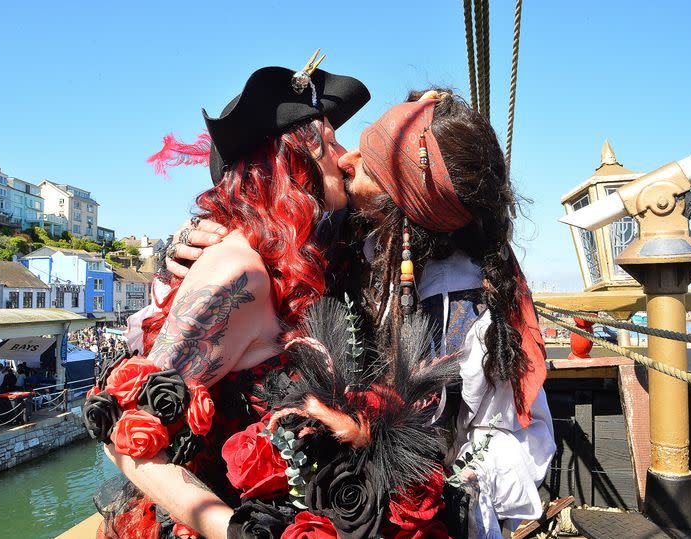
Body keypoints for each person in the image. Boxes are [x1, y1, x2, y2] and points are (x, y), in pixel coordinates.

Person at [173, 90, 556, 538]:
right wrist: (182, 248)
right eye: (365, 139)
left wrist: (436, 494)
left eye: (371, 165)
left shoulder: (473, 311)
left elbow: (505, 440)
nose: (349, 158)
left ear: (402, 211)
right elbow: (271, 190)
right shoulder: (342, 234)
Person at [95, 62, 370, 539]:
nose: (345, 158)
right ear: (296, 158)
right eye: (331, 140)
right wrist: (233, 530)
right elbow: (120, 430)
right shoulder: (237, 272)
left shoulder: (298, 263)